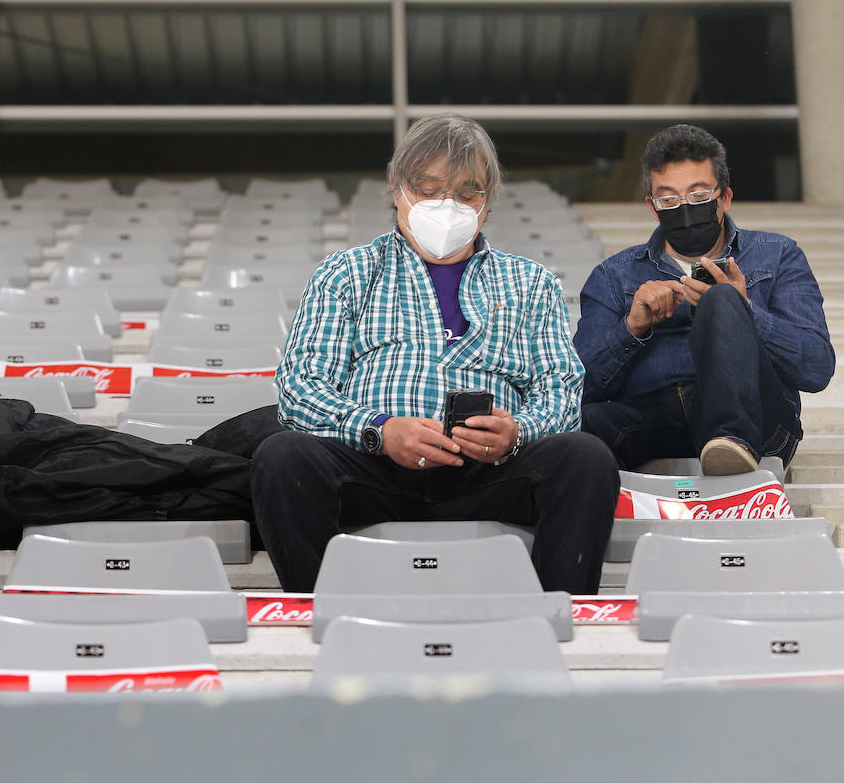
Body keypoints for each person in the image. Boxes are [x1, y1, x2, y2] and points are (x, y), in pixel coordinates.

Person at [250, 113, 619, 595]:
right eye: (428, 189)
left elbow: (561, 391)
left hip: (490, 474)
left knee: (586, 457)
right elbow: (300, 388)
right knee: (282, 455)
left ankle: (560, 615)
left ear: (487, 203)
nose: (448, 206)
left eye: (467, 193)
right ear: (396, 188)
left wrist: (516, 432)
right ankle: (322, 611)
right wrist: (380, 429)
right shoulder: (347, 272)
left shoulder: (532, 282)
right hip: (371, 471)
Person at [574, 125, 834, 475]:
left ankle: (730, 443)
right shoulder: (613, 275)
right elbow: (577, 388)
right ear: (653, 207)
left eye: (698, 197)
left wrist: (744, 310)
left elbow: (816, 369)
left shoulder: (777, 255)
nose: (684, 209)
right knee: (577, 427)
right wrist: (631, 328)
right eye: (669, 199)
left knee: (723, 298)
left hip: (759, 419)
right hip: (655, 416)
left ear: (724, 199)